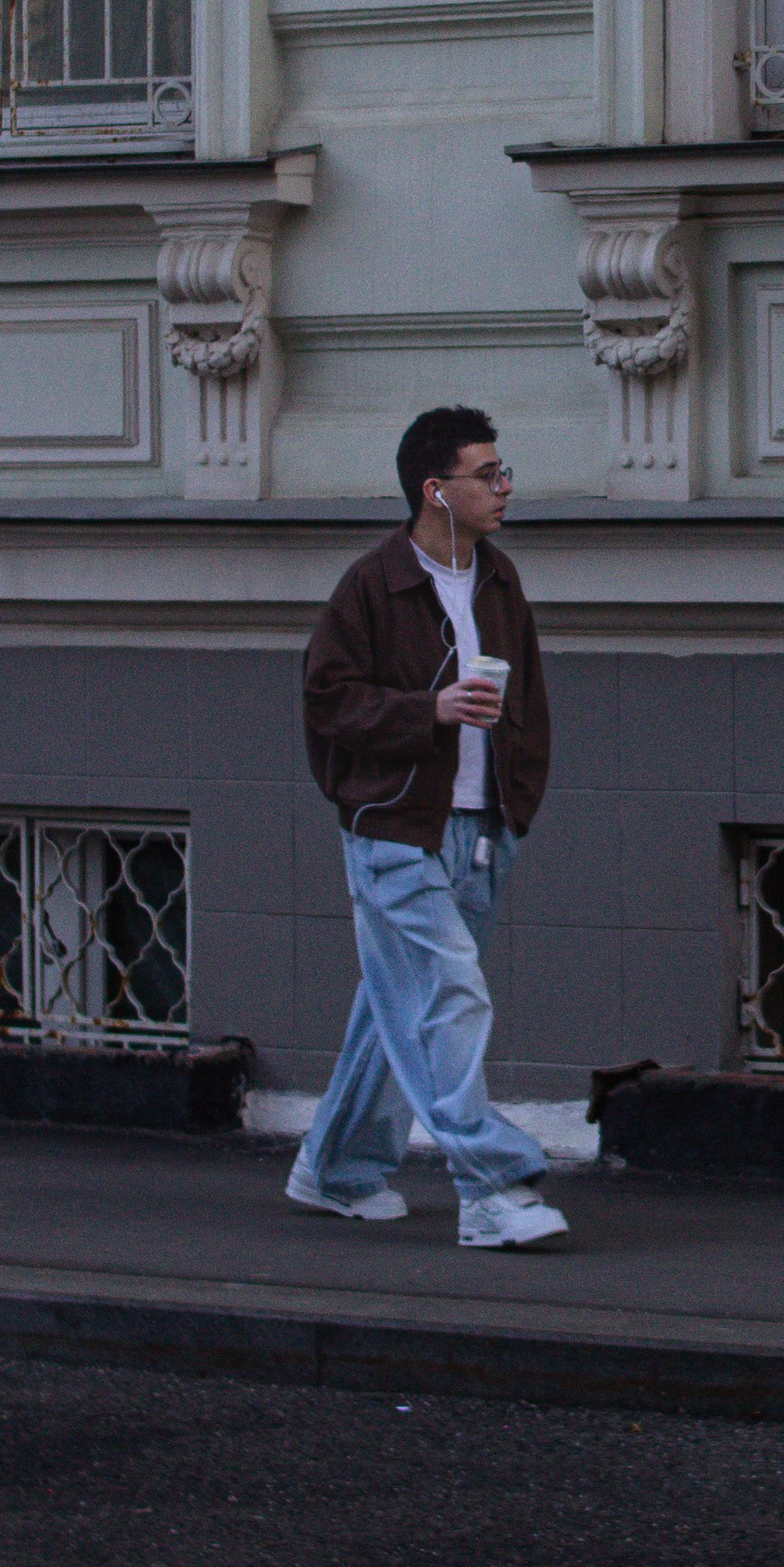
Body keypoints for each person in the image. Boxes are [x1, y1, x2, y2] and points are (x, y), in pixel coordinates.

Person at [290, 404, 569, 1248]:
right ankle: (490, 1187)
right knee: (447, 994)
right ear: (434, 490)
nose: (504, 486)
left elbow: (527, 700)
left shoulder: (498, 577)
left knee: (395, 1008)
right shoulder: (374, 585)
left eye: (503, 470)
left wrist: (516, 801)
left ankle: (333, 1169)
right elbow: (328, 703)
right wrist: (429, 709)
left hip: (480, 828)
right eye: (486, 474)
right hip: (396, 830)